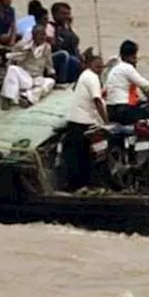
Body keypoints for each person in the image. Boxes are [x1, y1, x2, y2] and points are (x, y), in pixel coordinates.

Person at [62, 48, 108, 191]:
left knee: (77, 156)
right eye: (97, 66)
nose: (100, 70)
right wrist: (107, 122)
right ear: (89, 65)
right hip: (84, 123)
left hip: (77, 121)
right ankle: (82, 185)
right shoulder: (92, 77)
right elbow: (97, 101)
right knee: (84, 157)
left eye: (101, 67)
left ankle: (76, 186)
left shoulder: (84, 76)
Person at [1, 24, 56, 109]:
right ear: (33, 36)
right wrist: (25, 51)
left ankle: (27, 98)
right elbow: (12, 57)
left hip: (37, 78)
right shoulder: (23, 45)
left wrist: (52, 73)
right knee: (12, 69)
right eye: (40, 34)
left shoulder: (47, 47)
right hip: (25, 77)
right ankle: (7, 98)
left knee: (50, 82)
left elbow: (49, 64)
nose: (43, 37)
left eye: (44, 34)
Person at [104, 39, 149, 124]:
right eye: (135, 57)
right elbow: (145, 85)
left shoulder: (115, 69)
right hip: (123, 109)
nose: (136, 60)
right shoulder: (127, 67)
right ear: (130, 56)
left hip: (110, 109)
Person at [48, 2, 82, 84]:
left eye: (68, 14)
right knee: (73, 60)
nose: (67, 17)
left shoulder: (67, 27)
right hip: (57, 59)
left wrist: (68, 28)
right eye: (63, 14)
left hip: (73, 57)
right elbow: (56, 47)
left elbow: (74, 43)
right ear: (54, 14)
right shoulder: (50, 27)